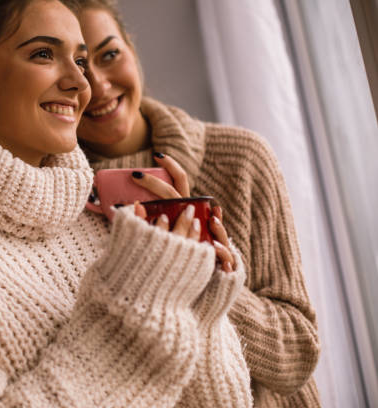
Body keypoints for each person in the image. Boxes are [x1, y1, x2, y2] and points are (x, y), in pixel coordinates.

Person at [0, 0, 253, 406]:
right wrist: (138, 299)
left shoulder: (109, 217)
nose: (83, 84)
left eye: (79, 60)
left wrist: (197, 298)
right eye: (43, 54)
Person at [61, 0, 321, 406]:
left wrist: (199, 273)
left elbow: (298, 351)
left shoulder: (241, 158)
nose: (97, 84)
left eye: (109, 54)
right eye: (77, 67)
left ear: (132, 48)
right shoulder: (62, 199)